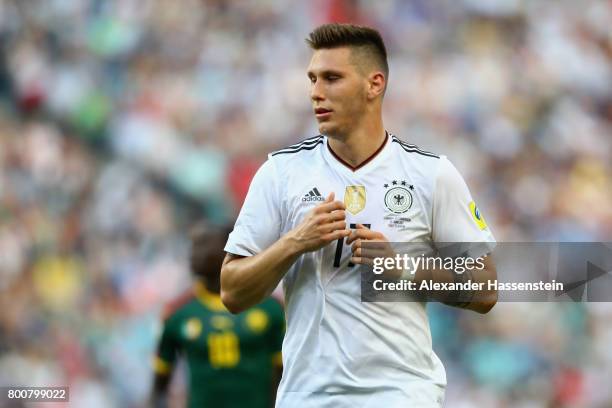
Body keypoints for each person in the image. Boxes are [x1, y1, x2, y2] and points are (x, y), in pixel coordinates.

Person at [221, 23, 497, 407]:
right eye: (313, 78)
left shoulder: (431, 175)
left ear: (374, 84)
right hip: (309, 396)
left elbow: (485, 289)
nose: (316, 92)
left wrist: (403, 269)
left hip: (402, 394)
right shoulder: (280, 173)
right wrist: (295, 242)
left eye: (332, 78)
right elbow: (231, 291)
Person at [152, 223, 284, 408]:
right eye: (193, 246)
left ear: (229, 250)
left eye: (203, 244)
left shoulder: (270, 308)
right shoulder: (177, 313)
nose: (193, 253)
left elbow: (285, 375)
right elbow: (159, 385)